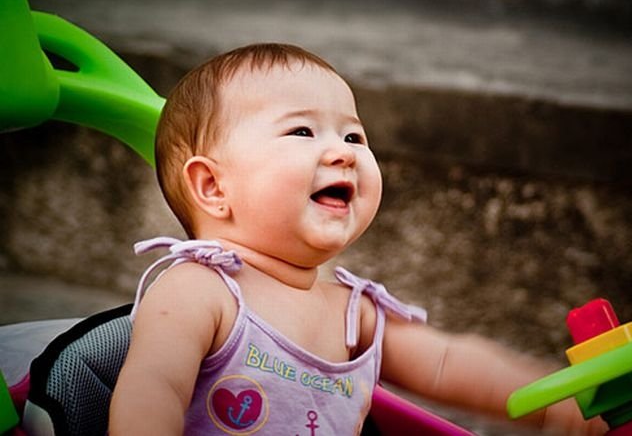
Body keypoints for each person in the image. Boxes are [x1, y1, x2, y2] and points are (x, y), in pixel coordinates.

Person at [109, 43, 606, 435]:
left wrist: (547, 395)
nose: (343, 153)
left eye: (353, 137)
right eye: (303, 132)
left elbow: (445, 362)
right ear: (214, 187)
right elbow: (152, 391)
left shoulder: (351, 311)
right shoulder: (200, 292)